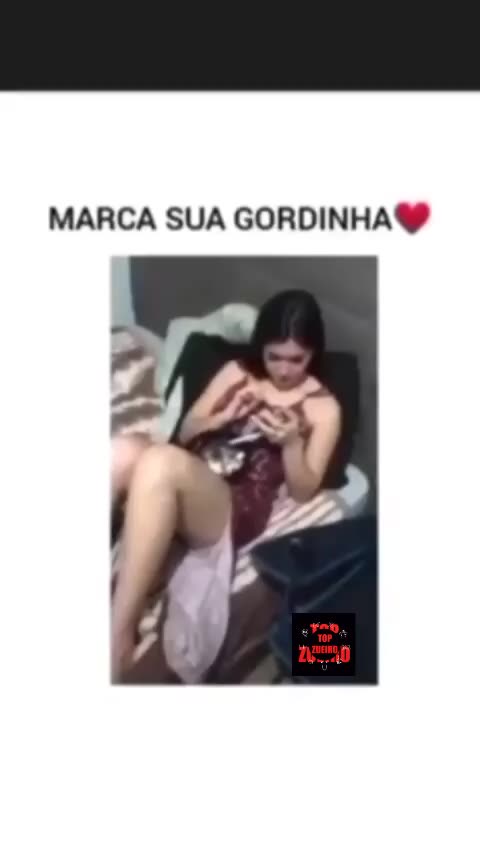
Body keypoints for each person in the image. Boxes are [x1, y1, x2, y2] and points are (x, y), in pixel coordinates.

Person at [110, 289, 342, 681]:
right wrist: (220, 418)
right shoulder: (238, 372)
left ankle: (119, 634)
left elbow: (304, 491)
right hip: (197, 468)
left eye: (296, 359)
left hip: (236, 502)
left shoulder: (324, 408)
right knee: (122, 451)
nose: (284, 370)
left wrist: (291, 443)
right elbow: (186, 431)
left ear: (312, 353)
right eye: (274, 356)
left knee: (160, 462)